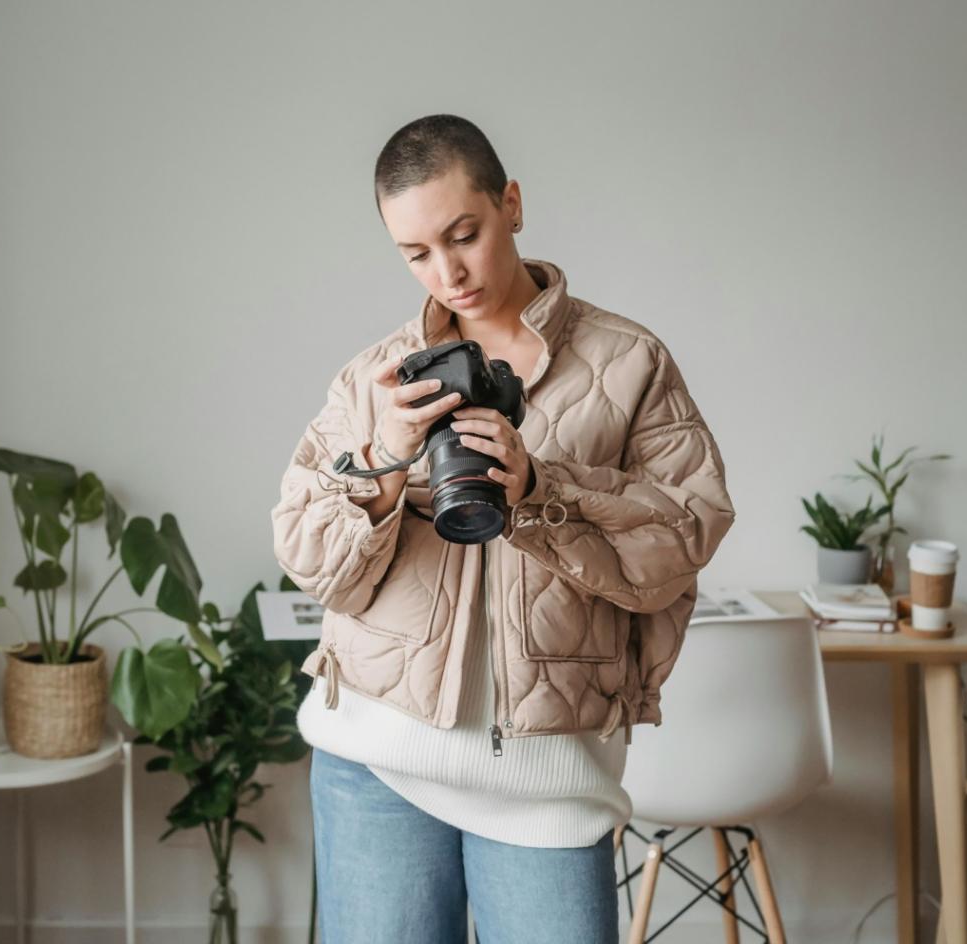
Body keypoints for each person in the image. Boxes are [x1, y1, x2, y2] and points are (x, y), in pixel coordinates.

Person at [270, 114, 736, 944]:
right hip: (375, 765)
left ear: (510, 205)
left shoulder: (629, 362)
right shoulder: (375, 380)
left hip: (549, 778)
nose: (447, 273)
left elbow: (684, 537)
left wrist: (538, 488)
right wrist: (383, 459)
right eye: (416, 253)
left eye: (464, 236)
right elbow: (310, 561)